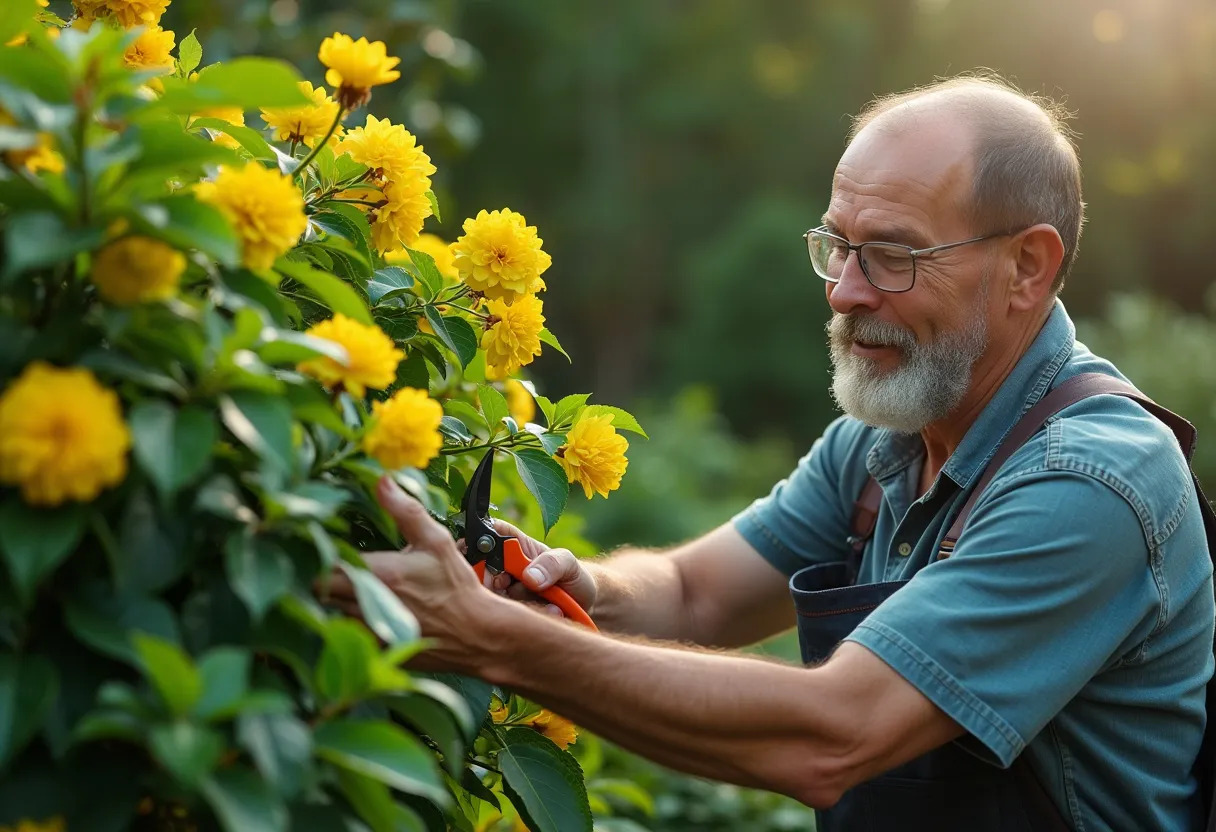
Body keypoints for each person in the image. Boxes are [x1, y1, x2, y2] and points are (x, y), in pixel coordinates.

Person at [323, 75, 1215, 831]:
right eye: (838, 245)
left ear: (1028, 266)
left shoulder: (1089, 482)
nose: (846, 291)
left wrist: (493, 639)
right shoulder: (885, 442)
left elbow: (833, 734)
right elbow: (696, 592)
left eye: (894, 256)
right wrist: (569, 588)